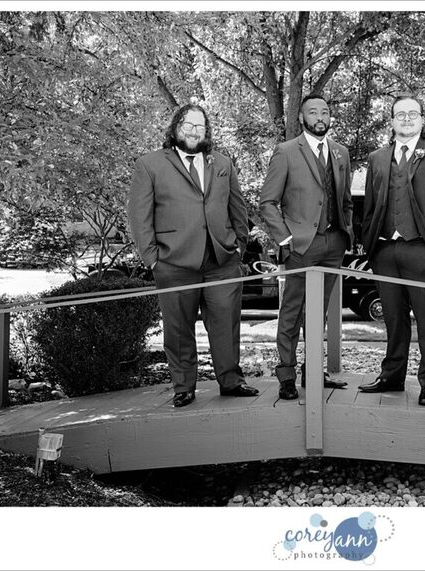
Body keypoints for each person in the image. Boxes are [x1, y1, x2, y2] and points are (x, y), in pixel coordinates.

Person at [128, 103, 258, 408]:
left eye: (200, 126)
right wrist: (153, 259)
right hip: (173, 263)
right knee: (178, 329)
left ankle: (231, 380)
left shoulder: (222, 163)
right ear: (175, 128)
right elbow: (139, 216)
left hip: (221, 262)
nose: (193, 131)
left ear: (207, 131)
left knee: (226, 325)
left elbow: (237, 208)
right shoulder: (150, 165)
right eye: (188, 124)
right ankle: (184, 386)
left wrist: (238, 247)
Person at [358, 94, 425, 406]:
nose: (405, 119)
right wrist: (370, 244)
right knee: (393, 318)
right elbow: (370, 206)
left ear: (421, 119)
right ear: (391, 121)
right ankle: (392, 376)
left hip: (423, 249)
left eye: (412, 114)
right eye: (399, 114)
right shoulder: (377, 157)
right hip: (385, 251)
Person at [259, 93, 354, 400]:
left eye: (325, 111)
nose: (320, 117)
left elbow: (346, 201)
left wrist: (346, 232)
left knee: (319, 314)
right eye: (313, 112)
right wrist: (286, 240)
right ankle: (286, 376)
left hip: (333, 245)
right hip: (300, 247)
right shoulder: (286, 152)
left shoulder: (341, 153)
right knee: (292, 313)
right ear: (302, 118)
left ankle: (313, 372)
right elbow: (268, 203)